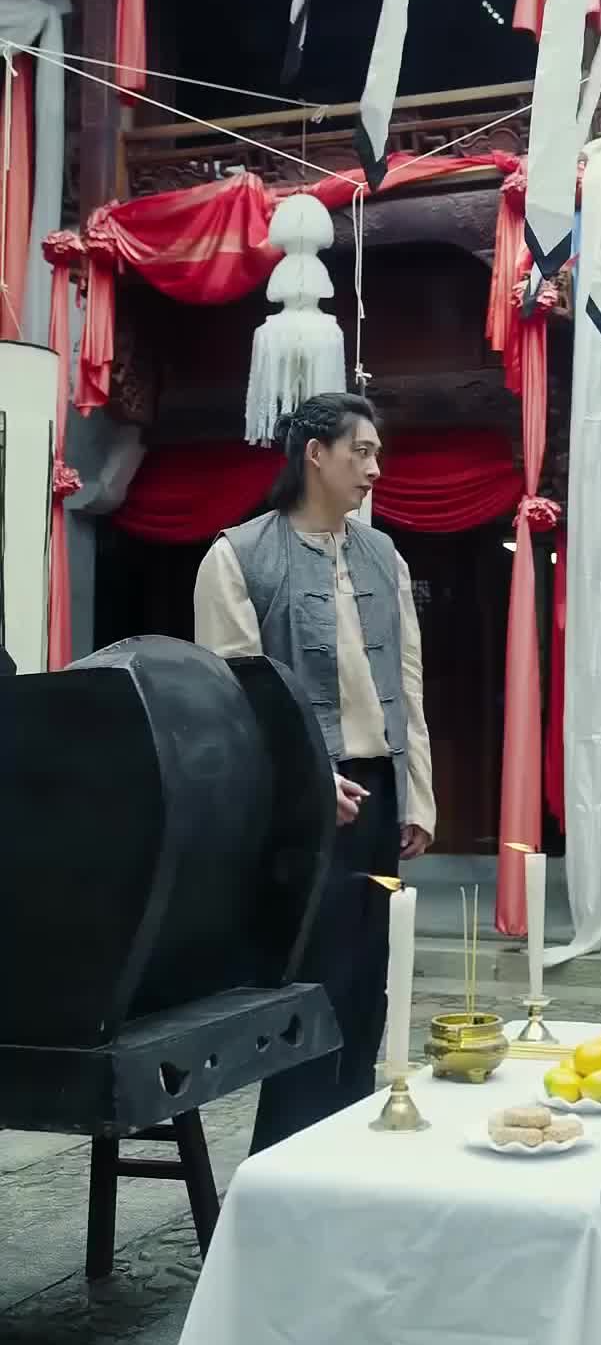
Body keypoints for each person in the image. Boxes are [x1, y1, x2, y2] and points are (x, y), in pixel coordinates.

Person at [193, 391, 435, 1151]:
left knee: (370, 985)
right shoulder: (238, 555)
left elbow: (408, 680)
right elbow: (236, 701)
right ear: (315, 454)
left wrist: (416, 793)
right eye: (361, 451)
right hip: (301, 805)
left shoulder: (384, 554)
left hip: (378, 790)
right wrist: (304, 781)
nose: (375, 468)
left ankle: (351, 1155)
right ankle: (287, 1162)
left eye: (377, 453)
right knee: (310, 988)